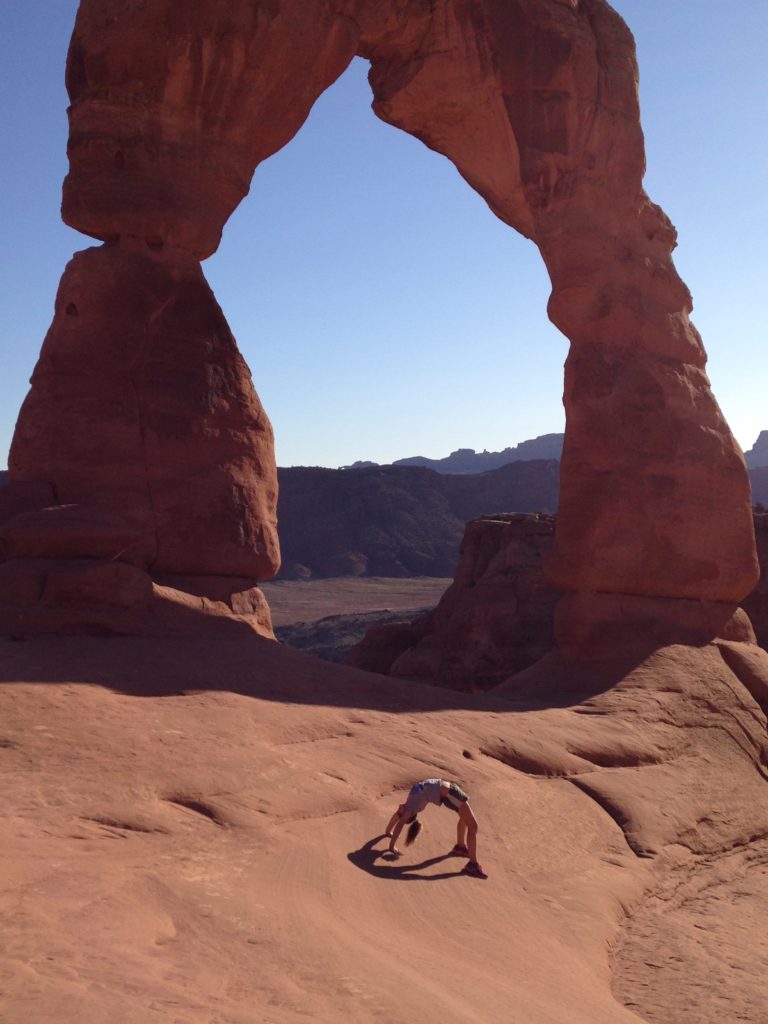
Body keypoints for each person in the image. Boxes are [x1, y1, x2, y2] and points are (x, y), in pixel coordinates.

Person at [385, 778, 487, 878]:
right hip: (449, 794)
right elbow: (399, 824)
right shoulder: (411, 809)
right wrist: (391, 846)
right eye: (400, 814)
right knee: (473, 827)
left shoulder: (409, 802)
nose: (398, 809)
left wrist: (388, 831)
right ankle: (473, 865)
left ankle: (460, 847)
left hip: (449, 791)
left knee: (465, 817)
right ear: (408, 816)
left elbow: (397, 818)